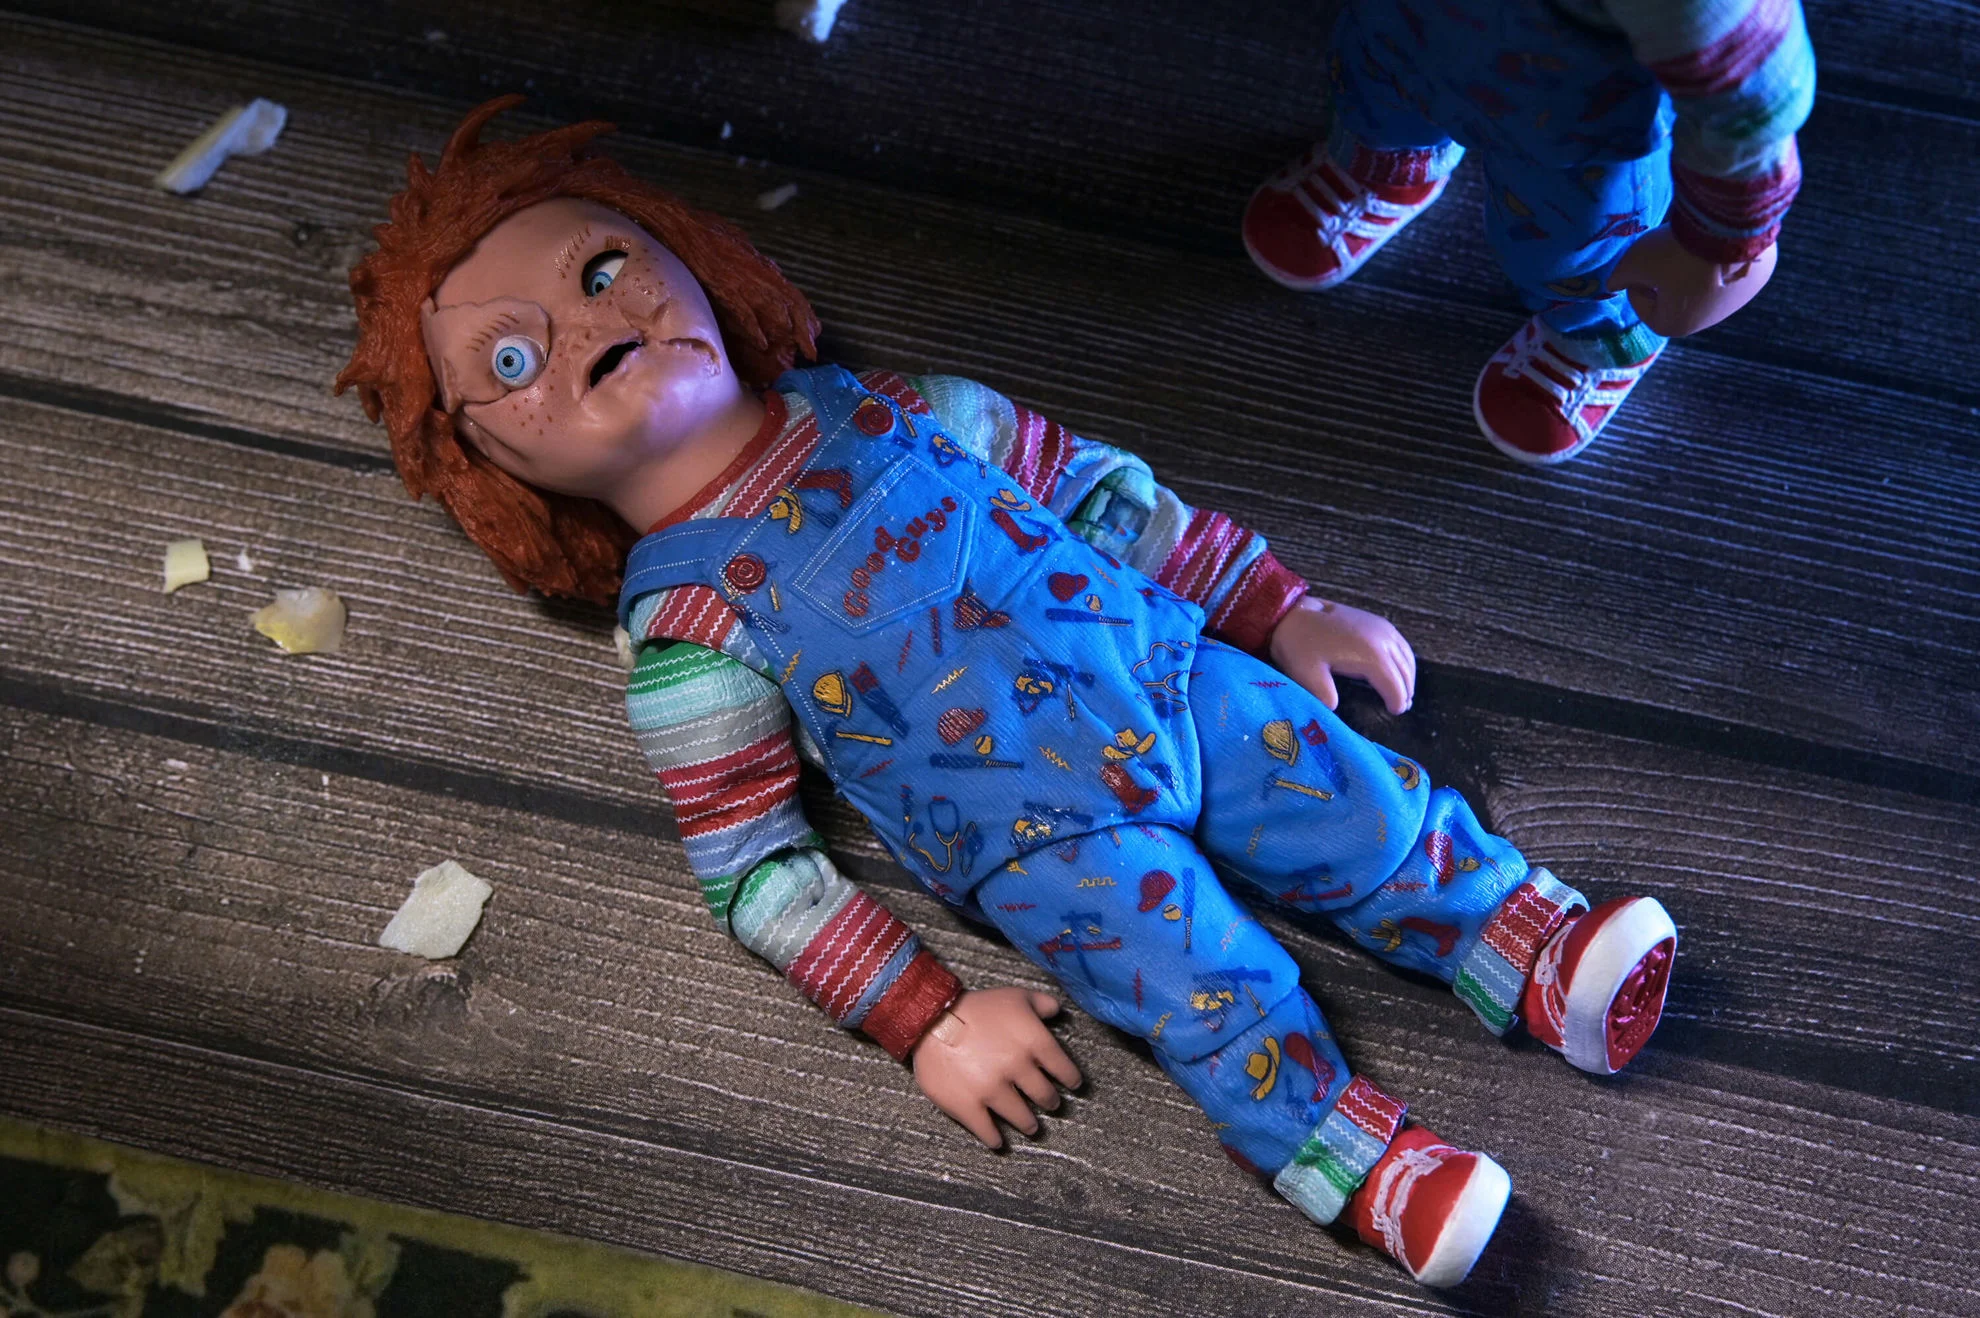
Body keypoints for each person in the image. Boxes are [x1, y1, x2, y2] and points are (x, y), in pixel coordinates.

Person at [338, 98, 1677, 1287]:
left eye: (601, 268)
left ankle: (1535, 947)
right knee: (1213, 987)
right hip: (1045, 842)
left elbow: (1101, 496)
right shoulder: (688, 633)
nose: (585, 327)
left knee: (1365, 804)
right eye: (510, 362)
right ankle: (1365, 1166)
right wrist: (925, 1019)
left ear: (687, 250)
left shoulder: (905, 406)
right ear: (487, 466)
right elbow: (757, 871)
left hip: (1170, 673)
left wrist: (1276, 605)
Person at [1243, 0, 1816, 464]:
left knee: (1579, 249)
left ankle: (1602, 333)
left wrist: (1722, 242)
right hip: (1402, 33)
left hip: (1581, 130)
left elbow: (1751, 96)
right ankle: (1389, 169)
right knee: (1376, 104)